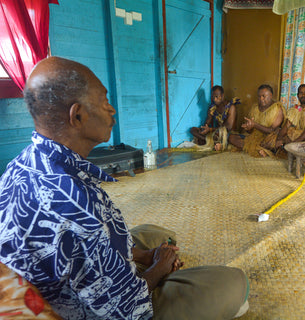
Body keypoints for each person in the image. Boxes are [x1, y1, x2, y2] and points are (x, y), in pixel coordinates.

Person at [0, 57, 249, 319]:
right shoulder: (74, 206)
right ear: (78, 115)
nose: (112, 110)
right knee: (235, 283)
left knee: (159, 235)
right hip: (92, 311)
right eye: (104, 101)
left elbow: (93, 240)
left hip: (63, 277)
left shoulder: (23, 163)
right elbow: (126, 307)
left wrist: (146, 255)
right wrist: (158, 269)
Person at [260, 84, 305, 156]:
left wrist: (294, 143)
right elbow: (286, 126)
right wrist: (279, 138)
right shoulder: (294, 110)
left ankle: (287, 149)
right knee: (277, 134)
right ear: (298, 95)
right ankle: (272, 151)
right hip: (296, 135)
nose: (303, 95)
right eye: (301, 93)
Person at [229, 84, 285, 157]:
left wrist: (255, 125)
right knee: (231, 138)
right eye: (259, 96)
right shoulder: (255, 108)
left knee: (274, 143)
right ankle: (260, 150)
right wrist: (249, 128)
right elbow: (250, 131)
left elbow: (272, 130)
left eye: (264, 96)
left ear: (270, 95)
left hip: (268, 138)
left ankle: (262, 149)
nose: (261, 99)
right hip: (254, 137)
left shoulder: (278, 109)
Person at [190, 85, 239, 151]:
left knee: (220, 134)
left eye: (217, 97)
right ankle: (212, 143)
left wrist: (210, 130)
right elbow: (207, 122)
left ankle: (211, 142)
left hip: (227, 134)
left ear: (222, 96)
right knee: (193, 130)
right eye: (213, 97)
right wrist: (204, 129)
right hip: (215, 133)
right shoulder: (212, 107)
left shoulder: (231, 107)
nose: (214, 99)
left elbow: (228, 127)